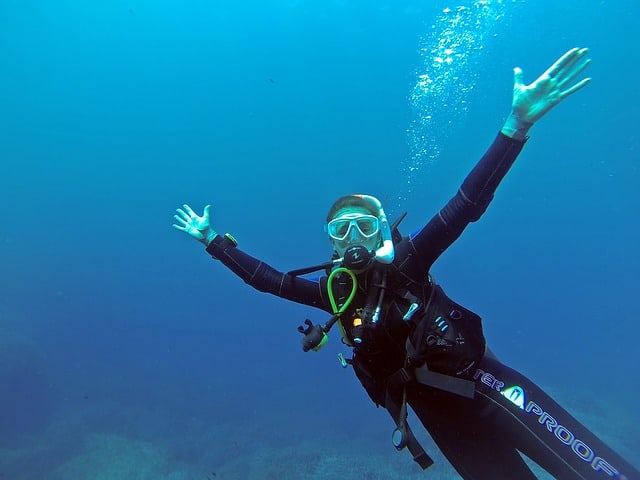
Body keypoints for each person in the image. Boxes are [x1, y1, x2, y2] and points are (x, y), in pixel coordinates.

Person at [173, 48, 639, 479]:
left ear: (382, 233)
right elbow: (269, 282)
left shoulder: (409, 263)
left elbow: (465, 206)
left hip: (487, 389)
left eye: (364, 227)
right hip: (439, 419)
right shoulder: (333, 293)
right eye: (341, 230)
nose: (353, 240)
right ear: (331, 243)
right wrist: (212, 240)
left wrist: (514, 129)